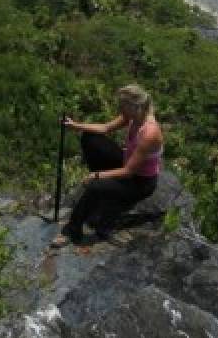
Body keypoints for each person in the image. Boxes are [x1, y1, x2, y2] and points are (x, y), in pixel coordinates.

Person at [52, 84, 163, 247]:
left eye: (122, 105)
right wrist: (75, 126)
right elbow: (105, 128)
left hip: (140, 182)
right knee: (91, 137)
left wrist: (96, 176)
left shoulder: (150, 133)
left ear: (134, 106)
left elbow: (128, 172)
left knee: (95, 186)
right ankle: (105, 189)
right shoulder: (133, 116)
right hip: (127, 164)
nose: (119, 109)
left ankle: (72, 229)